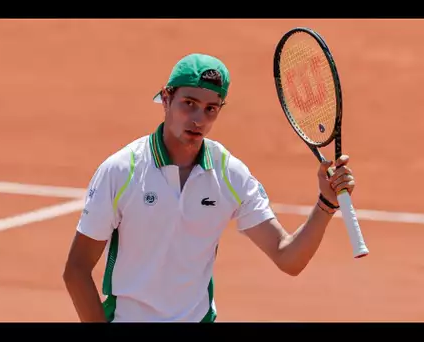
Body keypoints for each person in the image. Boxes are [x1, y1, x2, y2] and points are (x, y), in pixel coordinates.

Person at [63, 53, 356, 323]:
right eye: (188, 104)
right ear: (166, 99)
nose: (198, 119)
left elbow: (288, 257)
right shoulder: (121, 171)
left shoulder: (229, 174)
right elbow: (76, 270)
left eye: (210, 109)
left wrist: (326, 205)